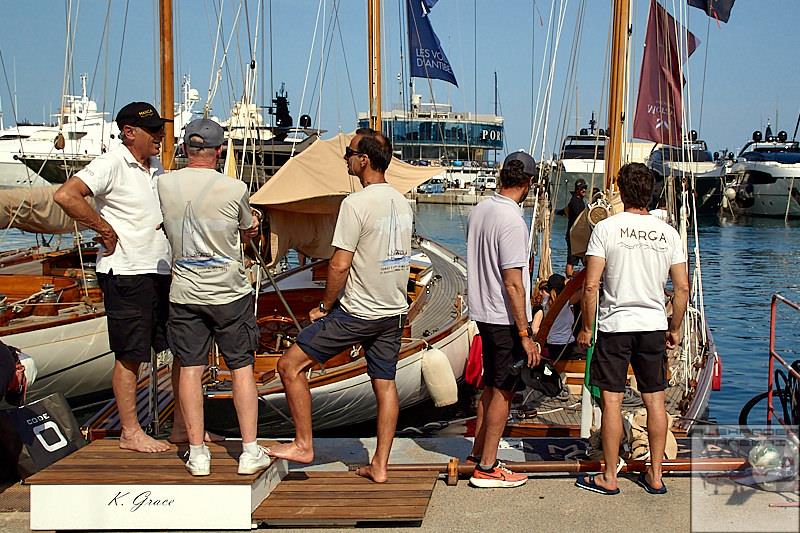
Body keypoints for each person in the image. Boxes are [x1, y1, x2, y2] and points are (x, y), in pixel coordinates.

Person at [268, 128, 413, 483]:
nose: (345, 158)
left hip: (358, 313)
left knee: (289, 366)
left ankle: (304, 444)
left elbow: (339, 264)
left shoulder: (356, 204)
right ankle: (379, 465)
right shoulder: (401, 202)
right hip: (392, 312)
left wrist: (325, 305)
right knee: (385, 385)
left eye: (348, 153)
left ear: (364, 160)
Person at [54, 102, 182, 453]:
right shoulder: (111, 163)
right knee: (130, 354)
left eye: (160, 129)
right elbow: (66, 195)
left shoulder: (156, 167)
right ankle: (130, 431)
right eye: (153, 130)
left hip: (160, 270)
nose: (160, 135)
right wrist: (103, 228)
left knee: (180, 350)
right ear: (129, 132)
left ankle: (182, 428)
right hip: (127, 272)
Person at [157, 118, 267, 476]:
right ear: (219, 151)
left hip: (185, 292)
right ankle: (250, 451)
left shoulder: (164, 184)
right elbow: (247, 228)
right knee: (241, 368)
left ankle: (197, 453)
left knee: (190, 368)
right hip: (228, 293)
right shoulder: (235, 189)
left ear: (186, 148)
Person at [575, 162, 689, 496]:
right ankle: (655, 474)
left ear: (622, 192)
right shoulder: (668, 234)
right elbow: (681, 288)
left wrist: (586, 327)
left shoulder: (606, 229)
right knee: (655, 403)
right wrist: (675, 327)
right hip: (653, 325)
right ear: (651, 193)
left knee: (611, 403)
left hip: (614, 326)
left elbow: (591, 286)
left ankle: (610, 476)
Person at [465, 150, 541, 488]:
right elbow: (513, 282)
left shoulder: (482, 208)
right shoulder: (512, 220)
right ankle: (488, 465)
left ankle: (479, 451)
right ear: (527, 183)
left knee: (490, 385)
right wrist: (525, 333)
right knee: (504, 391)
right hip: (503, 316)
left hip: (483, 311)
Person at [544, 273, 580, 360]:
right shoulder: (566, 302)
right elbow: (585, 291)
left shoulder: (545, 301)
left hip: (551, 344)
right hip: (566, 344)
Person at [565, 178, 588, 278]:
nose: (584, 190)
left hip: (578, 235)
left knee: (583, 258)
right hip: (574, 235)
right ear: (577, 190)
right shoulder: (575, 202)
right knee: (572, 259)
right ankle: (569, 278)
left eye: (585, 188)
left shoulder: (580, 201)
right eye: (582, 188)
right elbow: (579, 216)